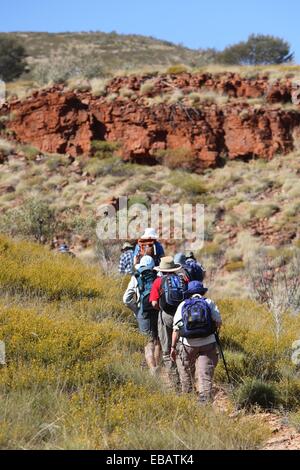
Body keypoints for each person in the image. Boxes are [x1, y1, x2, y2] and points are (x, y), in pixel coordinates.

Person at [170, 281, 222, 403]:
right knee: (205, 374)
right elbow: (219, 321)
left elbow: (176, 329)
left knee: (186, 370)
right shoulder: (209, 303)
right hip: (208, 343)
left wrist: (173, 347)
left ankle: (188, 397)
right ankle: (204, 402)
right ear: (202, 292)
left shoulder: (183, 305)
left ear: (189, 293)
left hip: (188, 344)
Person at [150, 256, 187, 389]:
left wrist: (160, 308)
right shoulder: (184, 279)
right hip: (183, 316)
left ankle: (176, 384)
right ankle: (186, 383)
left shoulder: (158, 281)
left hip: (166, 316)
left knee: (167, 351)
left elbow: (154, 303)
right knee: (182, 350)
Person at [123, 255, 161, 375]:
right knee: (158, 340)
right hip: (158, 310)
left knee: (148, 342)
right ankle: (158, 365)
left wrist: (136, 310)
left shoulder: (136, 277)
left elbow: (126, 299)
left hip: (143, 312)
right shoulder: (158, 275)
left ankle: (152, 368)